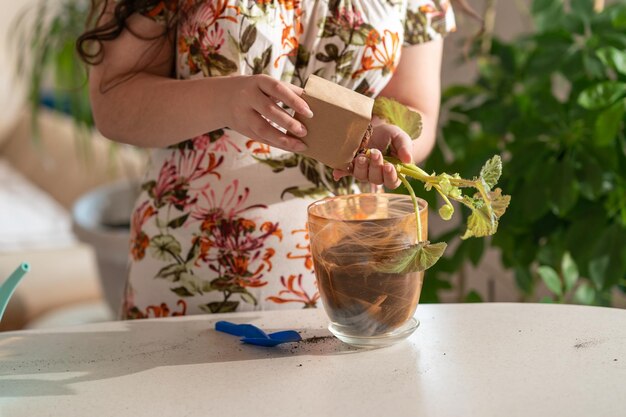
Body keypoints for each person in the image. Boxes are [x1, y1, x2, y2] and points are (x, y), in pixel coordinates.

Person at [77, 0, 456, 319]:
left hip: (351, 278)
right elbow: (113, 103)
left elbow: (416, 108)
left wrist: (381, 137)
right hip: (193, 273)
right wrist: (223, 101)